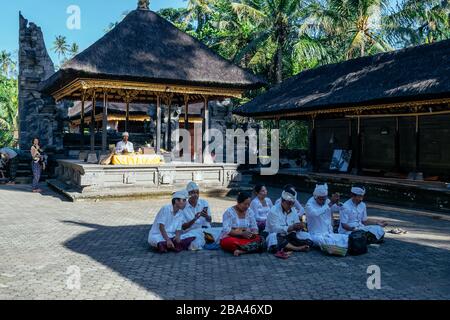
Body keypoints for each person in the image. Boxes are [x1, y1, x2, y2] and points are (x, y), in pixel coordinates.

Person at [265, 187, 313, 259]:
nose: (290, 206)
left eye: (292, 204)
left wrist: (300, 226)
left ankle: (287, 247)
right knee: (274, 237)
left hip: (290, 236)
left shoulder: (293, 210)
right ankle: (297, 248)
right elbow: (274, 229)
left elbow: (296, 224)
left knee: (307, 236)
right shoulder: (273, 210)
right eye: (289, 203)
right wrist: (290, 228)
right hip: (278, 236)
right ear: (282, 201)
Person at [305, 184, 349, 256]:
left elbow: (338, 210)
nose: (323, 201)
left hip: (329, 233)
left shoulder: (327, 201)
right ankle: (340, 250)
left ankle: (341, 249)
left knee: (345, 237)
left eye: (324, 199)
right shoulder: (309, 205)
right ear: (315, 197)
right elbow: (316, 213)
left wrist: (338, 203)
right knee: (325, 242)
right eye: (321, 199)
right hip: (316, 235)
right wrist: (330, 204)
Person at [220, 192, 265, 257]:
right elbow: (226, 230)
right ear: (238, 202)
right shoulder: (229, 212)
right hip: (232, 239)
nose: (247, 206)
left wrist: (252, 234)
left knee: (260, 239)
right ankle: (249, 249)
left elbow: (254, 228)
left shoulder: (250, 212)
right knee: (227, 242)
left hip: (246, 239)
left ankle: (241, 251)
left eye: (248, 204)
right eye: (245, 204)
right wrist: (241, 233)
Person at [180, 182, 222, 250]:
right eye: (192, 193)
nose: (195, 195)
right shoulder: (183, 207)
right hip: (192, 232)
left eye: (197, 192)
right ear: (188, 194)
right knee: (196, 240)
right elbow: (183, 227)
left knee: (223, 231)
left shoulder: (204, 202)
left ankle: (207, 241)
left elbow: (209, 220)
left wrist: (206, 216)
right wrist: (194, 219)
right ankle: (207, 241)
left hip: (206, 231)